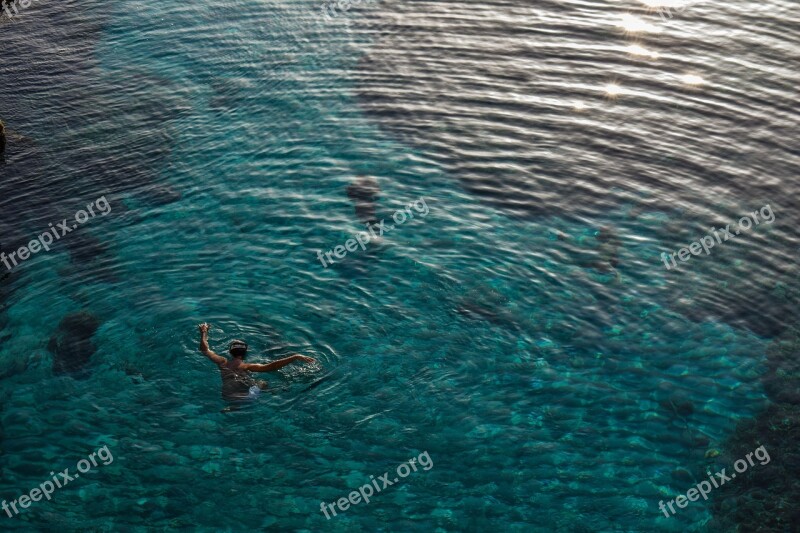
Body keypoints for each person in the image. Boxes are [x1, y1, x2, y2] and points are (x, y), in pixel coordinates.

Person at [197, 323, 316, 404]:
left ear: (230, 352)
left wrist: (204, 333)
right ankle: (271, 392)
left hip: (226, 396)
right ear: (245, 353)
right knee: (262, 382)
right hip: (244, 398)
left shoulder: (222, 362)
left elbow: (205, 350)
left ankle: (233, 407)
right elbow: (272, 366)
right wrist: (295, 357)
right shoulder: (247, 366)